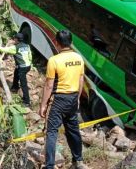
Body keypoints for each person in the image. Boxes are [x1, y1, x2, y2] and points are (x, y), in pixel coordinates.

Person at [39, 30, 88, 169]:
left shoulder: (54, 60)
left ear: (56, 43)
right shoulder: (78, 58)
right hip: (73, 99)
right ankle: (78, 161)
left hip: (59, 99)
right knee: (73, 129)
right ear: (71, 43)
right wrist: (77, 98)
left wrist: (43, 105)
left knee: (52, 132)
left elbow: (49, 85)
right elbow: (80, 80)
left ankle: (49, 166)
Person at [0, 33, 32, 107]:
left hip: (22, 67)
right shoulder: (27, 46)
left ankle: (27, 101)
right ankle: (15, 87)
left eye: (14, 38)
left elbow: (5, 49)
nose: (14, 39)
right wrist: (29, 63)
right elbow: (30, 56)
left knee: (23, 84)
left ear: (17, 40)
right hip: (28, 66)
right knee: (16, 72)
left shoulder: (15, 48)